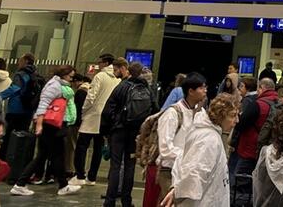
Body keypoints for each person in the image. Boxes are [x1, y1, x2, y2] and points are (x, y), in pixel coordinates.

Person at [10, 64, 79, 196]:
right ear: (64, 75)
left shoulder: (57, 85)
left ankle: (21, 183)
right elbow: (43, 104)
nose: (72, 78)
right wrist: (39, 124)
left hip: (49, 125)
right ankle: (63, 185)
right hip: (51, 126)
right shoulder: (55, 86)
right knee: (56, 155)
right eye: (71, 76)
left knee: (43, 155)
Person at [160, 94, 236, 207]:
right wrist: (178, 193)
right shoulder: (208, 140)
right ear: (221, 115)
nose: (236, 120)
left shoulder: (208, 134)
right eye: (233, 116)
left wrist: (177, 191)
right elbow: (193, 174)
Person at [101, 60, 157, 207]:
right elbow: (155, 111)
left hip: (119, 131)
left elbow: (108, 110)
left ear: (129, 72)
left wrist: (107, 130)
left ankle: (110, 201)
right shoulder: (147, 89)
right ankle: (127, 201)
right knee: (130, 166)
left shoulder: (122, 86)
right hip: (135, 133)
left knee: (115, 166)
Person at [70, 54, 119, 187]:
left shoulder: (99, 77)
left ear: (105, 63)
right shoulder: (116, 80)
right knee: (98, 148)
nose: (98, 64)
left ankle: (80, 175)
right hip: (105, 118)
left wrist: (83, 111)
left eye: (100, 62)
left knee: (82, 146)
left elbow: (91, 97)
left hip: (92, 116)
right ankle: (92, 177)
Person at [156, 73, 207, 203]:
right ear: (190, 91)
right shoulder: (172, 113)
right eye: (201, 88)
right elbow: (165, 148)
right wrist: (186, 156)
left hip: (189, 171)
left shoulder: (201, 113)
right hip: (169, 170)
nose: (205, 91)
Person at [233, 78, 279, 199]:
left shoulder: (258, 104)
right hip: (269, 150)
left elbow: (241, 124)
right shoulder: (278, 104)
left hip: (249, 148)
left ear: (262, 88)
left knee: (240, 181)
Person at [0, 53, 40, 159]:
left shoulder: (20, 74)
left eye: (20, 60)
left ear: (25, 61)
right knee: (22, 135)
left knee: (9, 135)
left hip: (15, 109)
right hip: (28, 109)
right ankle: (18, 158)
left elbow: (15, 88)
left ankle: (4, 158)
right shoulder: (35, 74)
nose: (18, 62)